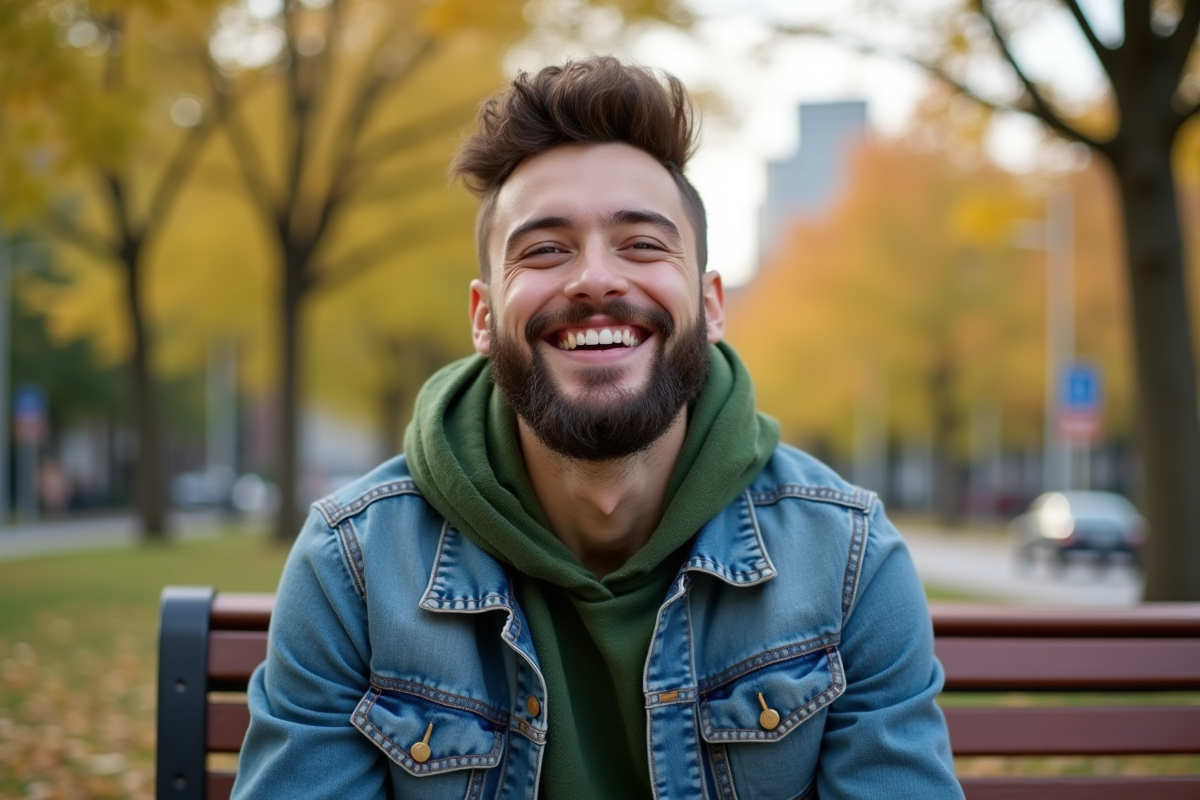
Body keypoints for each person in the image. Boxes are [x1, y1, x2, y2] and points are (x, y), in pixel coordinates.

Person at [233, 57, 963, 800]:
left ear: (711, 305)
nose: (594, 280)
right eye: (545, 249)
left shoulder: (847, 559)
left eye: (642, 244)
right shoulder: (353, 567)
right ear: (484, 317)